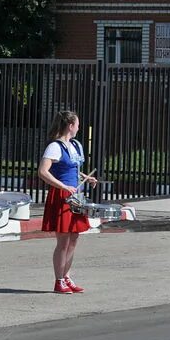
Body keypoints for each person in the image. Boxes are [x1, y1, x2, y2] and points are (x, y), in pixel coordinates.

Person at [38, 110, 97, 294]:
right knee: (63, 240)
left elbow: (71, 167)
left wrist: (85, 177)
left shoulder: (75, 145)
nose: (79, 128)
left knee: (74, 238)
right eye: (77, 124)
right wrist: (63, 186)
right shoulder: (54, 147)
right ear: (70, 125)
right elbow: (43, 171)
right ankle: (58, 280)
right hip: (62, 196)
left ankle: (67, 276)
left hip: (75, 196)